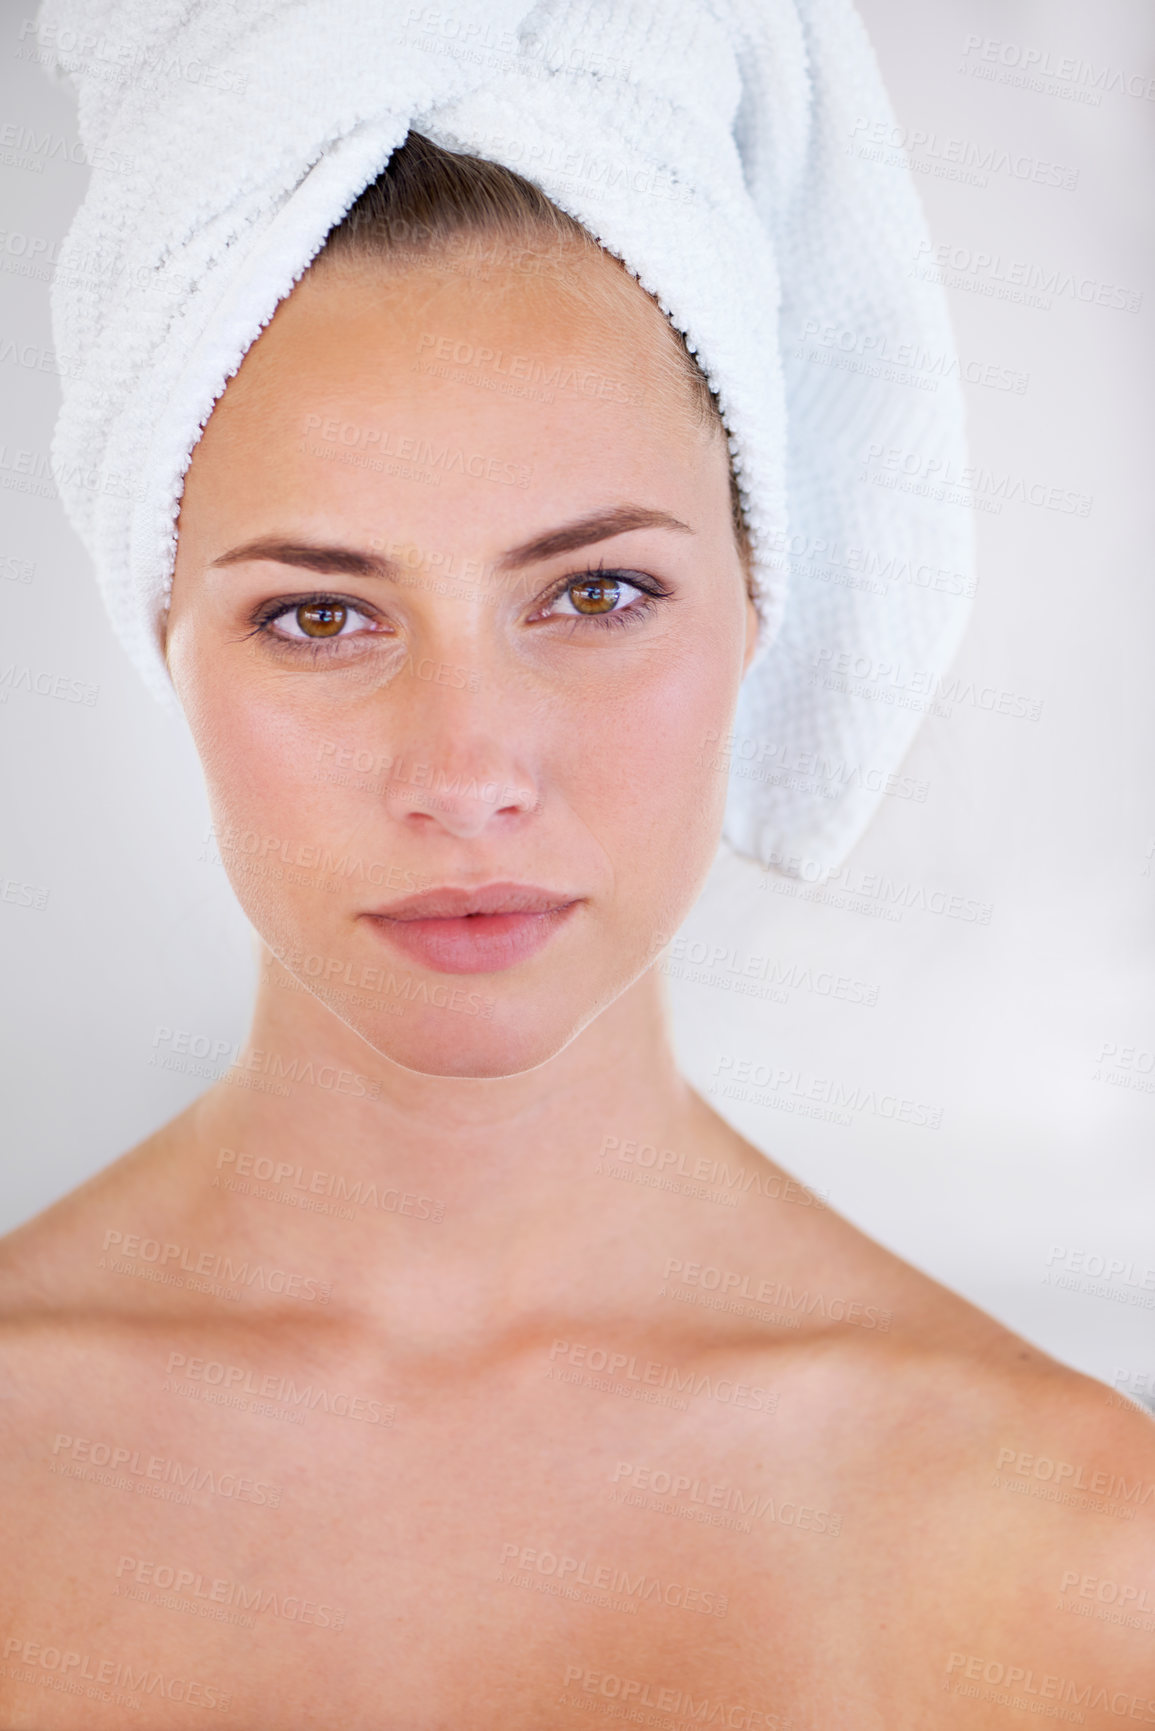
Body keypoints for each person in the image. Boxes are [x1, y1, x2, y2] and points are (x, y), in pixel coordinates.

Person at [3, 19, 1153, 1731]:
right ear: (162, 633)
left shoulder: (1080, 1550)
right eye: (320, 615)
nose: (470, 774)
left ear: (763, 594)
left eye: (595, 593)